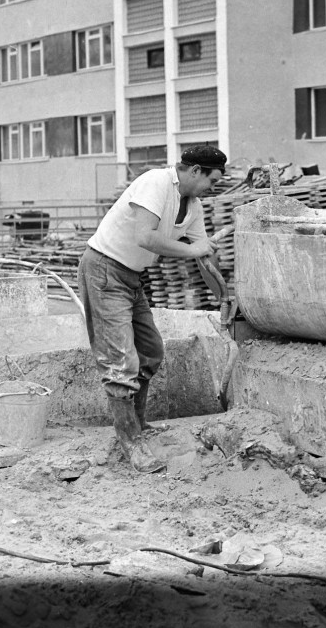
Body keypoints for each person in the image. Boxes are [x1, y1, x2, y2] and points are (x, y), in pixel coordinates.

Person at [78, 144, 228, 473]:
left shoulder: (193, 206)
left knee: (151, 351)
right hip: (104, 268)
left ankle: (139, 424)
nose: (212, 188)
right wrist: (194, 251)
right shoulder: (156, 183)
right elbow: (144, 237)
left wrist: (225, 295)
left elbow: (203, 256)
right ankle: (129, 441)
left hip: (131, 275)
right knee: (121, 359)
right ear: (195, 171)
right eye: (212, 181)